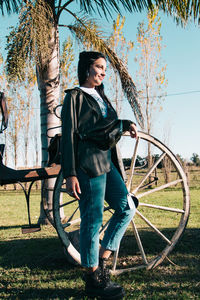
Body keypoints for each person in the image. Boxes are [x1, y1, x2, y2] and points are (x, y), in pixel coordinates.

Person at [61, 51, 138, 299]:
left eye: (105, 68)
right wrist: (71, 173)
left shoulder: (101, 95)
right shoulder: (74, 97)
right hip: (87, 163)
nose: (103, 72)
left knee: (127, 207)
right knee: (92, 221)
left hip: (107, 162)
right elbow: (69, 136)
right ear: (87, 69)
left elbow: (109, 127)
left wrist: (126, 123)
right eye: (99, 67)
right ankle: (93, 278)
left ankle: (101, 261)